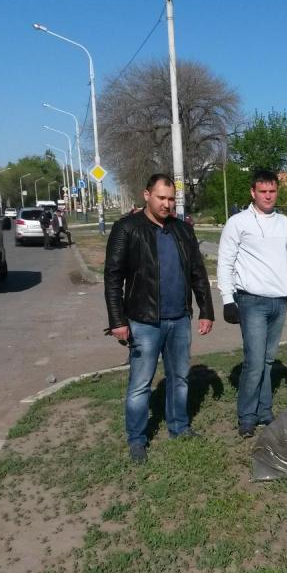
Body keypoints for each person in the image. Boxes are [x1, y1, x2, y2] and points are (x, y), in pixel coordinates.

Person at [104, 173, 215, 463]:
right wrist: (117, 321)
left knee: (180, 378)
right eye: (161, 198)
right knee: (140, 384)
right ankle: (137, 439)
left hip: (179, 319)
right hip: (144, 321)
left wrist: (206, 310)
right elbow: (113, 277)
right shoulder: (127, 228)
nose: (167, 204)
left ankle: (179, 427)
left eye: (171, 199)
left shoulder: (182, 230)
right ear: (146, 195)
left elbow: (197, 272)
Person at [217, 169, 287, 438]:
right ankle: (247, 416)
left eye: (272, 191)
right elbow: (225, 262)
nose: (268, 196)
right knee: (254, 361)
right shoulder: (238, 223)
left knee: (267, 361)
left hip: (279, 302)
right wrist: (228, 300)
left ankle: (264, 411)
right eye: (263, 191)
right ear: (252, 192)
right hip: (251, 301)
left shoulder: (285, 224)